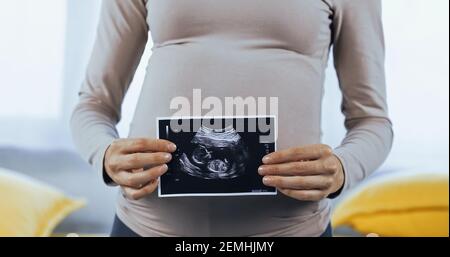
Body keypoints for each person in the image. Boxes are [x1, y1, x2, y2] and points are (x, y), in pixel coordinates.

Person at [71, 0, 393, 237]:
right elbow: (93, 106)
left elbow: (373, 122)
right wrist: (106, 155)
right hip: (146, 227)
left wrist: (341, 168)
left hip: (291, 231)